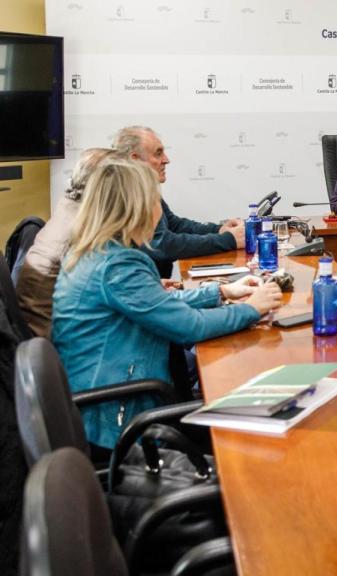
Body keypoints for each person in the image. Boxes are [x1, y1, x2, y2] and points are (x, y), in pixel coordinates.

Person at [51, 158, 283, 452]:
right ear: (134, 206)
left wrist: (221, 291)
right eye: (153, 199)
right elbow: (189, 327)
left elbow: (156, 305)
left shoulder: (96, 252)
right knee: (253, 429)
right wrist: (253, 309)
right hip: (121, 424)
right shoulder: (118, 265)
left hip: (103, 407)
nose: (159, 210)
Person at [112, 126, 245, 278]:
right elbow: (163, 245)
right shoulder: (128, 195)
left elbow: (175, 225)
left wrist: (219, 230)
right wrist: (228, 240)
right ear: (134, 159)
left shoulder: (144, 189)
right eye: (158, 153)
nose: (166, 160)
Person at [16, 148, 119, 337]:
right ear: (107, 188)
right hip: (63, 343)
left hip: (50, 332)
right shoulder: (83, 231)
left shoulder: (69, 209)